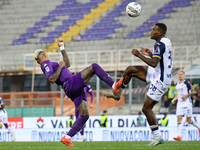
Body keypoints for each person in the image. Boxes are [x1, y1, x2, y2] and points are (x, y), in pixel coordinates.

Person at [33, 39, 117, 147]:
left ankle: (67, 137)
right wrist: (60, 66)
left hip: (72, 89)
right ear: (44, 55)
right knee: (94, 67)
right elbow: (52, 79)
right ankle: (115, 86)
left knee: (84, 116)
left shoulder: (48, 64)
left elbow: (67, 64)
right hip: (70, 84)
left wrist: (62, 48)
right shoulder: (46, 64)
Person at [102, 23, 172, 146]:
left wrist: (139, 55)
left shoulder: (160, 43)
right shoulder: (166, 41)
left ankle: (157, 137)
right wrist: (150, 54)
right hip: (157, 73)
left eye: (154, 30)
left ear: (160, 33)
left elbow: (155, 63)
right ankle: (117, 93)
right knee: (130, 70)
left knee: (146, 109)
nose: (151, 31)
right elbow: (160, 60)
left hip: (160, 80)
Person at [172, 70, 200, 141]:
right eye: (179, 74)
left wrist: (186, 95)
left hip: (187, 104)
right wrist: (174, 99)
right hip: (180, 104)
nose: (180, 75)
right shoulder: (176, 85)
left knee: (189, 121)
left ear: (184, 75)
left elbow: (194, 91)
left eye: (181, 74)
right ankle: (179, 136)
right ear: (177, 76)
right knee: (179, 119)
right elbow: (177, 94)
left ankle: (199, 128)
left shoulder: (187, 83)